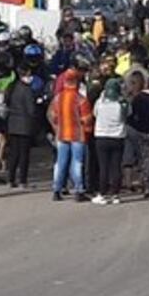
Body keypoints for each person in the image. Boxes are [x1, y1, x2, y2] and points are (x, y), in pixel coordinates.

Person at [48, 65, 94, 202]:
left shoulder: (58, 98)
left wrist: (58, 127)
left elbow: (53, 116)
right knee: (77, 162)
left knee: (60, 163)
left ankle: (57, 190)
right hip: (77, 135)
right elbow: (87, 119)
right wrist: (87, 130)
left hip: (62, 134)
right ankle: (78, 191)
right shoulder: (81, 99)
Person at [92, 74, 129, 204]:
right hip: (118, 137)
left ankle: (102, 194)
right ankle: (115, 194)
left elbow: (94, 114)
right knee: (116, 167)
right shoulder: (122, 104)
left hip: (101, 137)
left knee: (103, 167)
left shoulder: (100, 103)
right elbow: (128, 115)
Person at [4, 63, 40, 189]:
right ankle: (23, 180)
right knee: (24, 154)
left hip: (13, 123)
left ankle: (11, 178)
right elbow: (31, 110)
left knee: (14, 153)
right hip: (25, 125)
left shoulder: (12, 87)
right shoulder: (27, 90)